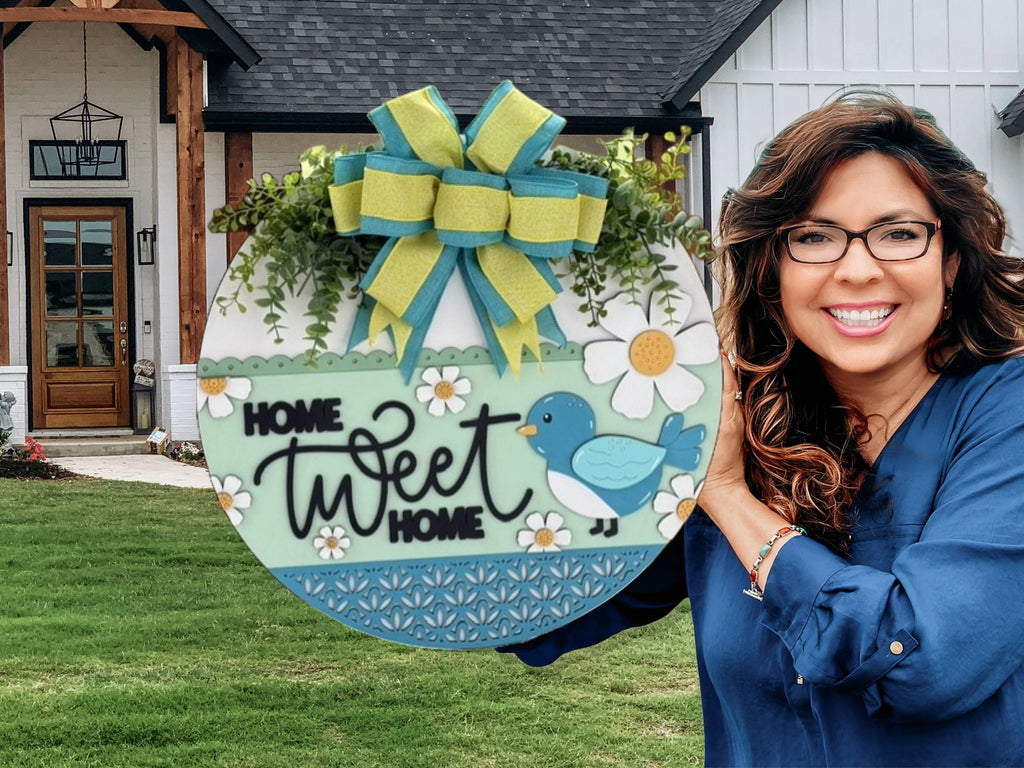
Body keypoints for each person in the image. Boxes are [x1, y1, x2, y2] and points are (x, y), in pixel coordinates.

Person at [501, 91, 1024, 767]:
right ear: (772, 270)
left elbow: (919, 661)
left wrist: (726, 497)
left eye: (899, 233)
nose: (858, 268)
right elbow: (548, 607)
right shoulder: (735, 422)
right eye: (813, 236)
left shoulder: (1005, 417)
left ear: (950, 261)